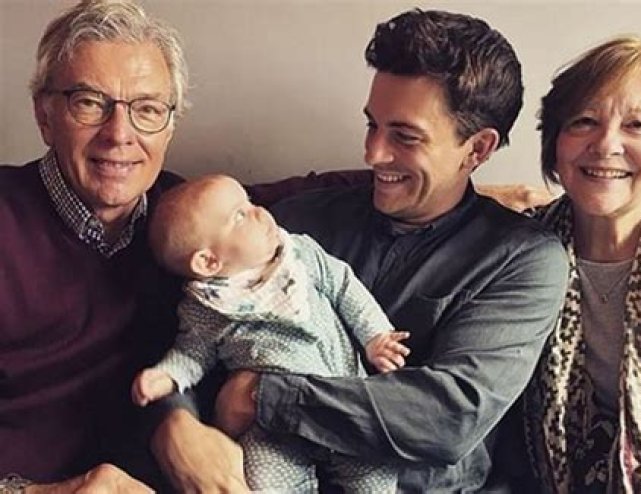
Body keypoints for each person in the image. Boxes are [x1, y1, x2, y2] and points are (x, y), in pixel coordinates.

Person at [0, 1, 367, 491]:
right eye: (89, 102)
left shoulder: (191, 222)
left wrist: (175, 423)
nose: (119, 134)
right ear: (44, 115)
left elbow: (320, 192)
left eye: (147, 109)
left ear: (170, 126)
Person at [207, 8, 569, 492]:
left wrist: (265, 397)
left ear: (478, 149)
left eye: (405, 136)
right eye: (372, 125)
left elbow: (447, 416)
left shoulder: (521, 260)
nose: (373, 153)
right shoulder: (295, 223)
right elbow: (197, 319)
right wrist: (176, 422)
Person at [515, 36, 641, 492]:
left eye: (637, 126)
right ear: (556, 141)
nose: (606, 144)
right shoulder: (520, 253)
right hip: (558, 474)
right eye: (584, 121)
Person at [132, 174, 409, 492]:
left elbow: (345, 288)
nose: (260, 212)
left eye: (250, 202)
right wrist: (166, 376)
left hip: (342, 403)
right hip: (271, 425)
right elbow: (193, 353)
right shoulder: (206, 306)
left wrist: (375, 336)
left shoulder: (299, 254)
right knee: (260, 480)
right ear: (208, 261)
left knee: (376, 473)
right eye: (240, 216)